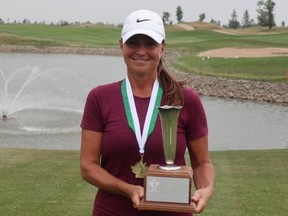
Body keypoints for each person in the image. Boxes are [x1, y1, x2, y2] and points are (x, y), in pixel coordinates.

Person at [80, 9, 215, 216]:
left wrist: (206, 189)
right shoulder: (99, 97)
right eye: (133, 43)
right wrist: (128, 189)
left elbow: (202, 162)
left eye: (150, 44)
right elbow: (88, 167)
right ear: (121, 45)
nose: (141, 51)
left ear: (162, 47)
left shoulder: (186, 99)